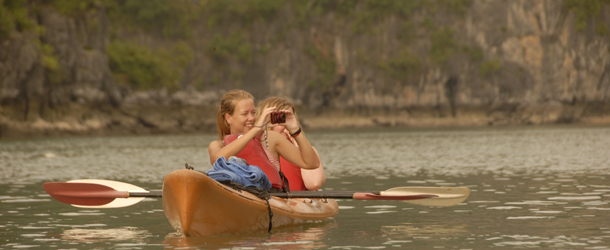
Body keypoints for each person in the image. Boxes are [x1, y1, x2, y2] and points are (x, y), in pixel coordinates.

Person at [208, 89, 320, 192]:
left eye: (253, 112)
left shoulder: (270, 138)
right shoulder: (217, 145)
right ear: (228, 118)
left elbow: (311, 163)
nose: (251, 118)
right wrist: (255, 130)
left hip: (272, 198)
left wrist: (295, 130)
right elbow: (218, 159)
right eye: (245, 114)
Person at [256, 97, 326, 191]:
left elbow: (314, 183)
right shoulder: (253, 147)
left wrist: (297, 141)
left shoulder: (306, 152)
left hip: (297, 203)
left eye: (288, 119)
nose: (286, 126)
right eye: (280, 120)